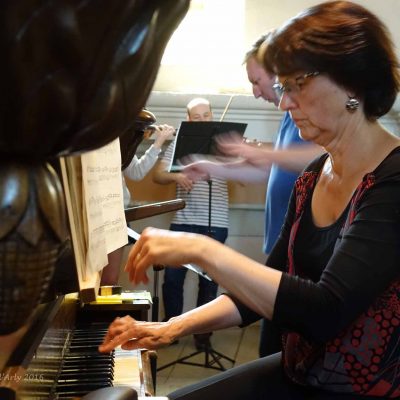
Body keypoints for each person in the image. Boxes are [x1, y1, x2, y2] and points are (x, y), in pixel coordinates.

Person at [100, 1, 400, 399]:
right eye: (283, 87)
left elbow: (326, 311)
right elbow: (263, 290)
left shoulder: (392, 180)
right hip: (300, 372)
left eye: (298, 84)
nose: (285, 102)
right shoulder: (313, 175)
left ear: (352, 83)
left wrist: (201, 249)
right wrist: (170, 327)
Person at [183, 34, 322, 357]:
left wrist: (263, 153)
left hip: (303, 258)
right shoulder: (289, 115)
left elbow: (322, 158)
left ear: (277, 72)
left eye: (256, 82)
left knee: (277, 352)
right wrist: (213, 167)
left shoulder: (311, 111)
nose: (255, 92)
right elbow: (270, 172)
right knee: (270, 351)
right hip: (281, 250)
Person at [152, 97, 229, 350]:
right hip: (183, 221)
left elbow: (242, 180)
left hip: (216, 222)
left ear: (212, 116)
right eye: (197, 117)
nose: (203, 120)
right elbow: (158, 175)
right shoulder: (180, 143)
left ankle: (202, 335)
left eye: (207, 115)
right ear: (188, 120)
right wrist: (177, 176)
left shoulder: (223, 145)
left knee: (209, 282)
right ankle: (171, 330)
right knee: (173, 279)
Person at [101, 123, 175, 286]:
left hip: (118, 213)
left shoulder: (121, 140)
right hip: (95, 212)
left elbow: (136, 172)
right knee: (88, 279)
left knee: (109, 281)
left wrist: (158, 142)